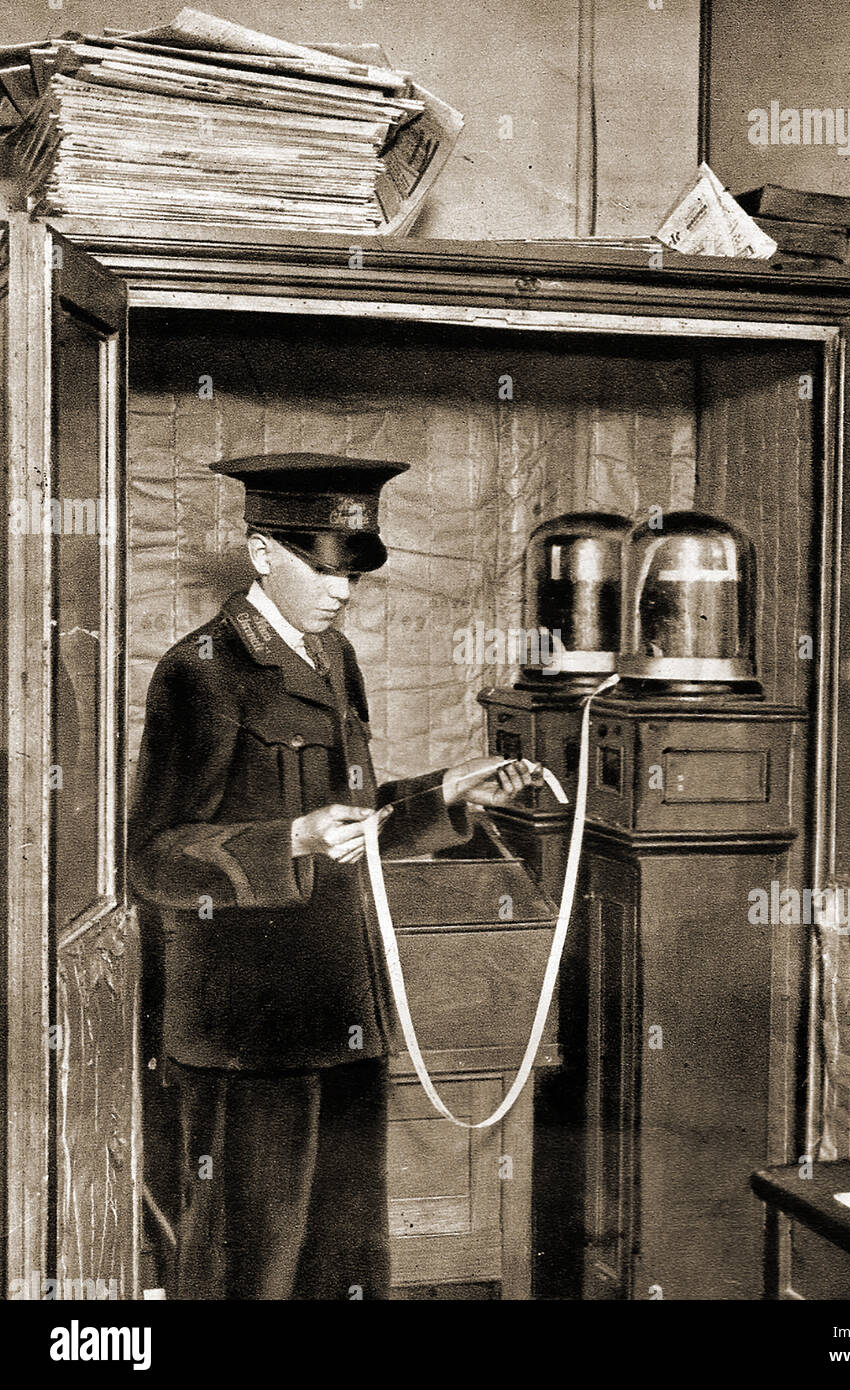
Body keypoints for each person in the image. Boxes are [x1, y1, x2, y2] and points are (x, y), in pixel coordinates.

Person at [128, 453, 541, 1300]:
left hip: (342, 1013)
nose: (342, 588)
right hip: (248, 1029)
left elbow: (352, 824)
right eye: (323, 567)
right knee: (252, 1267)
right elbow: (155, 857)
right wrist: (291, 841)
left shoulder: (332, 656)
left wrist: (444, 793)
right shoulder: (200, 670)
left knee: (341, 1262)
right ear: (260, 554)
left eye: (352, 570)